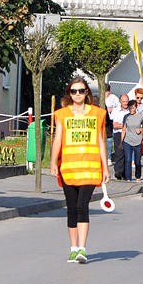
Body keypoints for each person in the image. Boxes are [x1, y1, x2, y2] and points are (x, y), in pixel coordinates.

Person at [49, 77, 109, 264]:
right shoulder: (62, 114)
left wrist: (105, 166)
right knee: (72, 208)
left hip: (90, 169)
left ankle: (82, 248)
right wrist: (52, 162)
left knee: (83, 206)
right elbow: (57, 139)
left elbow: (100, 140)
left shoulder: (98, 114)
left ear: (87, 93)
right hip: (69, 168)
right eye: (74, 91)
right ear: (69, 93)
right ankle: (73, 248)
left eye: (81, 91)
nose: (77, 94)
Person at [122, 100, 143, 184]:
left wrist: (140, 129)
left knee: (137, 161)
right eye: (130, 108)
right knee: (128, 160)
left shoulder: (141, 117)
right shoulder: (126, 117)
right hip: (127, 140)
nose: (131, 109)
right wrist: (121, 141)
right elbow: (124, 129)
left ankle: (138, 176)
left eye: (133, 107)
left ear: (136, 107)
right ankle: (128, 178)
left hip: (138, 141)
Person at [109, 94, 129, 179]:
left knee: (127, 154)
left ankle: (125, 173)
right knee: (119, 153)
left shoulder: (131, 111)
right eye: (123, 101)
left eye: (126, 101)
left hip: (128, 134)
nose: (125, 103)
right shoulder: (116, 111)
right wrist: (125, 125)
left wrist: (121, 125)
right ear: (120, 101)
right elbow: (114, 125)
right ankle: (118, 172)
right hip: (118, 134)